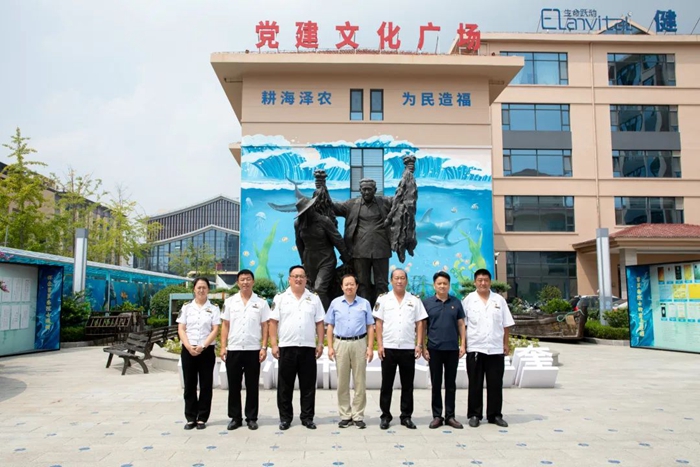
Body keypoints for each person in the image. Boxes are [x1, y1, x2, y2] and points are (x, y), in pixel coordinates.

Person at [269, 265, 325, 430]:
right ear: (289, 279)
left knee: (308, 385)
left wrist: (320, 343)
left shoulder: (313, 298)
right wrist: (274, 344)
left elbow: (320, 322)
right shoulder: (280, 298)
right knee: (285, 386)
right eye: (295, 276)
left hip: (308, 347)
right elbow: (273, 322)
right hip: (287, 347)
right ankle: (285, 418)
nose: (298, 279)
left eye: (301, 276)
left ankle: (307, 418)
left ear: (306, 279)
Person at [373, 268, 427, 430]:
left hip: (408, 348)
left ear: (406, 281)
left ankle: (406, 416)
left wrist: (419, 344)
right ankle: (385, 416)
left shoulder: (414, 300)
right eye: (396, 278)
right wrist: (380, 345)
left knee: (407, 385)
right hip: (388, 348)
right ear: (391, 281)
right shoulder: (383, 299)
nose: (399, 281)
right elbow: (378, 323)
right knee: (386, 384)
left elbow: (420, 323)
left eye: (402, 278)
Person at [461, 269, 515, 428]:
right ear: (475, 282)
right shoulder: (468, 300)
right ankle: (474, 415)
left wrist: (506, 344)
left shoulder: (499, 300)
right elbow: (463, 325)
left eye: (486, 280)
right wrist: (463, 344)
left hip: (495, 348)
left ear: (490, 282)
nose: (483, 283)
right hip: (475, 348)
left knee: (495, 384)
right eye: (479, 280)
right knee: (475, 384)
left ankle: (495, 415)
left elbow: (506, 324)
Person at [220, 269, 270, 431]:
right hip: (234, 349)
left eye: (248, 279)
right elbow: (225, 325)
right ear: (237, 282)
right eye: (242, 279)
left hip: (253, 349)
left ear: (253, 282)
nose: (245, 282)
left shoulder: (261, 303)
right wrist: (223, 347)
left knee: (252, 385)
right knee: (234, 386)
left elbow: (265, 326)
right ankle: (235, 418)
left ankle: (251, 418)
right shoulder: (230, 302)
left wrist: (264, 347)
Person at [333, 178, 393, 307]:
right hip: (359, 251)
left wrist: (408, 174)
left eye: (369, 189)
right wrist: (322, 187)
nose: (366, 192)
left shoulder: (385, 202)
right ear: (360, 190)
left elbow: (402, 200)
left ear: (375, 190)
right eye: (364, 189)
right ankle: (363, 309)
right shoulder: (351, 204)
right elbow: (332, 207)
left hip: (381, 249)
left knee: (382, 283)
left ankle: (381, 311)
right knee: (362, 283)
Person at [325, 274, 375, 429]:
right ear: (342, 287)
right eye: (346, 284)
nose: (349, 287)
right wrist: (330, 347)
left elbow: (370, 326)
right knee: (342, 382)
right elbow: (330, 326)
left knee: (360, 381)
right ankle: (345, 415)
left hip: (359, 343)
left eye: (352, 284)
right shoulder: (335, 303)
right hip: (341, 343)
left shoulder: (364, 303)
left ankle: (358, 415)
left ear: (357, 286)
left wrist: (370, 347)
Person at [422, 271, 466, 429]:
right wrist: (423, 346)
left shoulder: (456, 302)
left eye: (445, 283)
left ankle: (450, 416)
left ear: (449, 285)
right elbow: (423, 326)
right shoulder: (427, 303)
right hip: (434, 349)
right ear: (434, 285)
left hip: (452, 349)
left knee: (450, 383)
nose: (442, 286)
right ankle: (437, 416)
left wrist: (463, 344)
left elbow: (461, 324)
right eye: (439, 283)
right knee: (436, 383)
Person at [176, 277, 221, 430]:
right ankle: (190, 417)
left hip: (206, 350)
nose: (201, 290)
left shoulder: (214, 308)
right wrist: (188, 346)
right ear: (194, 289)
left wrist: (203, 346)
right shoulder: (187, 307)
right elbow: (181, 328)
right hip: (188, 350)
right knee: (189, 384)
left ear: (208, 290)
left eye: (204, 287)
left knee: (206, 385)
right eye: (198, 287)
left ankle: (202, 417)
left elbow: (215, 329)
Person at [295, 195, 351, 311]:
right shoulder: (298, 223)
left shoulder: (324, 221)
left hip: (326, 259)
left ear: (312, 208)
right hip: (309, 260)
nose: (306, 214)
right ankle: (314, 315)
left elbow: (337, 239)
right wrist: (303, 261)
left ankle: (326, 317)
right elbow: (299, 243)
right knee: (311, 289)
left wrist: (346, 258)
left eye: (307, 210)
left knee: (319, 289)